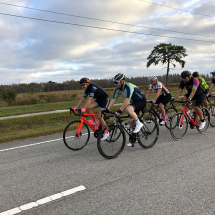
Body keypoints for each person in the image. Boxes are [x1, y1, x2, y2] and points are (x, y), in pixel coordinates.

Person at [107, 73, 147, 147]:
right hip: (134, 103)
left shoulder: (128, 87)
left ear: (122, 81)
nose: (115, 84)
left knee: (128, 109)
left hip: (141, 101)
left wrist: (120, 110)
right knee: (129, 121)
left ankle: (139, 124)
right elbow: (113, 99)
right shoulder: (118, 90)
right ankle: (134, 137)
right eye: (114, 82)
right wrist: (107, 108)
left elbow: (127, 99)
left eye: (116, 82)